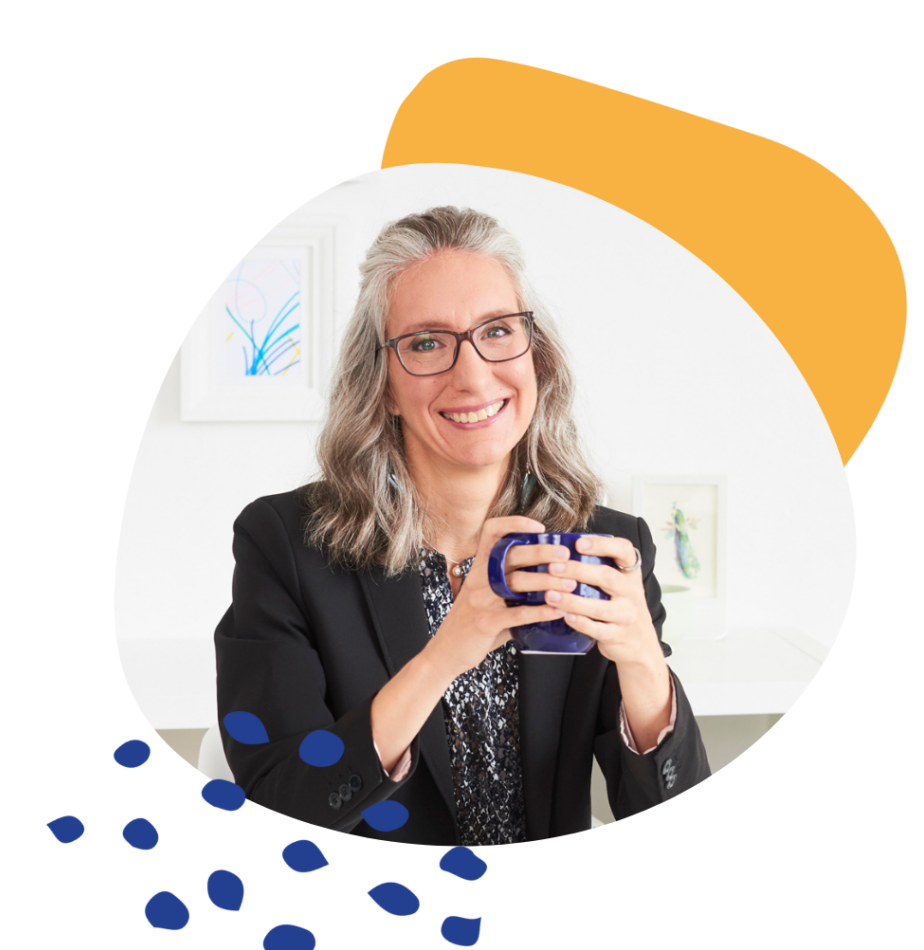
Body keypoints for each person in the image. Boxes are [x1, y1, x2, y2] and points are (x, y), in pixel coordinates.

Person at [215, 206, 710, 845]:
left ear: (537, 357)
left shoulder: (605, 548)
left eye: (499, 331)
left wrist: (645, 664)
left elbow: (671, 825)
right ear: (384, 383)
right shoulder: (285, 544)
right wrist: (448, 651)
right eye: (426, 343)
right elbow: (280, 804)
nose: (473, 375)